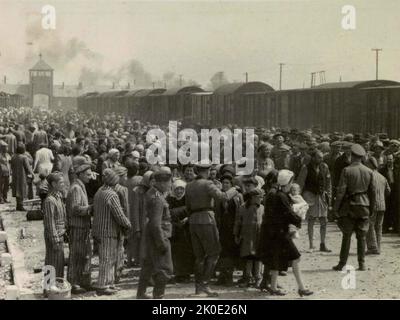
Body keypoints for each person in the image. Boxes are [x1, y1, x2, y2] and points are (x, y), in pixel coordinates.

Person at [185, 161, 238, 297]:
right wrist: (234, 189)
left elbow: (188, 206)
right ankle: (205, 285)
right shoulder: (208, 184)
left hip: (193, 221)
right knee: (214, 253)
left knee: (199, 256)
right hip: (207, 220)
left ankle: (198, 288)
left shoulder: (189, 185)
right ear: (207, 171)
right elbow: (223, 197)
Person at [259, 169, 313, 297]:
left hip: (275, 233)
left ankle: (273, 287)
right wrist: (298, 219)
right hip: (281, 234)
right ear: (288, 182)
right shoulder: (282, 196)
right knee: (296, 257)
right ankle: (301, 288)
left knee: (276, 259)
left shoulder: (276, 194)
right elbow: (289, 214)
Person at [333, 144, 376, 271]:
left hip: (349, 206)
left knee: (346, 235)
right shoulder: (369, 171)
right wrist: (372, 209)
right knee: (362, 236)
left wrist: (336, 208)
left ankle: (342, 263)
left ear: (352, 156)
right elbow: (372, 192)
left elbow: (341, 191)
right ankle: (362, 263)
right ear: (362, 157)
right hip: (364, 206)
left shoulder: (346, 170)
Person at [93, 168, 132, 295]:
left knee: (106, 258)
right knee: (108, 259)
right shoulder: (112, 194)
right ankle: (103, 285)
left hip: (99, 229)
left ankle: (109, 283)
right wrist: (128, 224)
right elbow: (119, 215)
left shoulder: (99, 191)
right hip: (109, 231)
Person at [136, 167, 173, 299]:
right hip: (159, 236)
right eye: (169, 182)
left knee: (149, 265)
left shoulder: (152, 193)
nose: (170, 185)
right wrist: (161, 242)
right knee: (165, 269)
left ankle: (140, 294)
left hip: (151, 236)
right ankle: (159, 297)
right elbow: (156, 224)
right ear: (162, 183)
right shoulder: (157, 198)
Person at [66, 159, 93, 294]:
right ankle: (73, 283)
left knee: (84, 255)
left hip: (82, 226)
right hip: (77, 227)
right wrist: (90, 208)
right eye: (88, 174)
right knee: (76, 255)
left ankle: (82, 281)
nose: (90, 177)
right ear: (80, 174)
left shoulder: (80, 186)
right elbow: (75, 208)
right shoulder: (76, 188)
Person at [297, 150, 332, 252]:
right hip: (310, 196)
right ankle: (311, 245)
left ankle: (322, 244)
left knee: (324, 220)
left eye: (322, 157)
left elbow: (329, 182)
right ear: (313, 158)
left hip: (321, 196)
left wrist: (328, 195)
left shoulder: (324, 167)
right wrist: (300, 199)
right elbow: (300, 183)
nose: (321, 159)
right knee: (311, 220)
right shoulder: (305, 168)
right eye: (319, 157)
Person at [215, 173, 243, 287]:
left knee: (231, 251)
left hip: (233, 227)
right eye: (223, 183)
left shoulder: (238, 196)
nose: (225, 185)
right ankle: (222, 276)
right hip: (223, 227)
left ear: (232, 184)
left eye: (227, 183)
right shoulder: (221, 196)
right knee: (223, 251)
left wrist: (238, 229)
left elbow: (240, 213)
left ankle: (229, 276)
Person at [234, 188, 264, 288]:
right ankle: (248, 278)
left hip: (259, 237)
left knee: (258, 258)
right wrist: (236, 235)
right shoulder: (243, 207)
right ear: (253, 198)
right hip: (247, 237)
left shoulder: (262, 208)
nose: (261, 199)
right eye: (260, 197)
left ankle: (258, 278)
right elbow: (238, 222)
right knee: (248, 258)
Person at [167, 179, 194, 283]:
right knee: (176, 251)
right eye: (177, 189)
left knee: (186, 251)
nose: (179, 191)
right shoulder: (170, 199)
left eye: (181, 189)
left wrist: (187, 219)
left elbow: (191, 211)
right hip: (175, 229)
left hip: (186, 228)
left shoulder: (188, 198)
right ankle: (178, 273)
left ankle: (186, 274)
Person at [43, 172, 67, 280]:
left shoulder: (59, 196)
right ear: (53, 184)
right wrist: (55, 240)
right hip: (54, 236)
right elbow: (49, 222)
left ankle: (57, 286)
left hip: (60, 233)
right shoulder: (49, 200)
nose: (64, 184)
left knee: (59, 263)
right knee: (52, 262)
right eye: (61, 182)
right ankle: (48, 287)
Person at [365, 157, 390, 254]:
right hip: (382, 205)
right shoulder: (382, 177)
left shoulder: (369, 176)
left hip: (372, 205)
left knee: (370, 226)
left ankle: (372, 248)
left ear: (371, 164)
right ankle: (378, 247)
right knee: (379, 227)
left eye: (367, 164)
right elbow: (388, 191)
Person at [130, 171, 154, 266]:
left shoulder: (155, 191)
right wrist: (136, 228)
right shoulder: (138, 191)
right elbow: (135, 210)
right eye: (151, 180)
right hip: (142, 223)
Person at [11, 143, 34, 211]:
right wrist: (32, 174)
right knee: (21, 189)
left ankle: (18, 204)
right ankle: (20, 205)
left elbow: (12, 166)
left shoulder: (13, 156)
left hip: (15, 175)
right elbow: (28, 167)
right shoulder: (24, 157)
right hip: (22, 175)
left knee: (17, 189)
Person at [379, 154, 396, 233]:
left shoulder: (396, 169)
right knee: (386, 208)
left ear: (393, 160)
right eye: (388, 159)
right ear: (385, 160)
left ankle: (395, 227)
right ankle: (385, 227)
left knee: (394, 208)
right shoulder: (382, 170)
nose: (389, 161)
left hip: (395, 191)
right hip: (385, 191)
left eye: (391, 159)